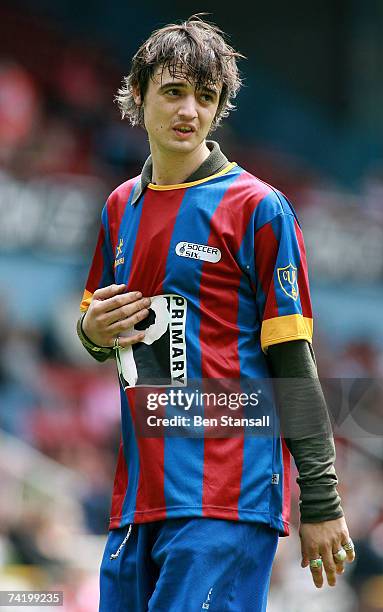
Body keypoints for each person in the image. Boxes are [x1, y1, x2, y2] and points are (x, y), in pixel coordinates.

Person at [77, 15, 355, 612]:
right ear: (139, 93)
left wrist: (322, 501)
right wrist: (92, 332)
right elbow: (100, 331)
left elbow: (293, 360)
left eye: (206, 98)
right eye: (174, 91)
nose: (189, 112)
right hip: (136, 498)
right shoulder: (119, 206)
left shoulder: (259, 208)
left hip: (224, 499)